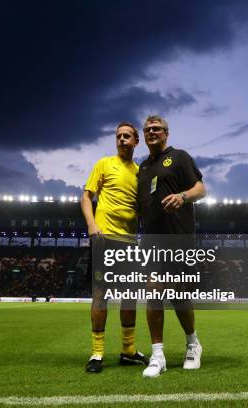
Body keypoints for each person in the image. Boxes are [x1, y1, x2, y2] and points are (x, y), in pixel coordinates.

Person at [136, 115, 206, 378]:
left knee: (179, 294)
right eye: (148, 130)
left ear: (166, 133)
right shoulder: (142, 168)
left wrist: (183, 196)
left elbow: (201, 188)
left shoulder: (179, 157)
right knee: (153, 292)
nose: (152, 133)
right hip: (151, 241)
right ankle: (158, 355)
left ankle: (193, 344)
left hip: (178, 237)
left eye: (157, 129)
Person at [81, 121, 149, 373]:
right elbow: (86, 197)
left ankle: (128, 351)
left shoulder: (141, 173)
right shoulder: (103, 164)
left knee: (130, 296)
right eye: (118, 136)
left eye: (126, 136)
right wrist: (91, 224)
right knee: (100, 295)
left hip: (129, 242)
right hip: (104, 239)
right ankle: (97, 353)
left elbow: (144, 208)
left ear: (135, 141)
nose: (121, 139)